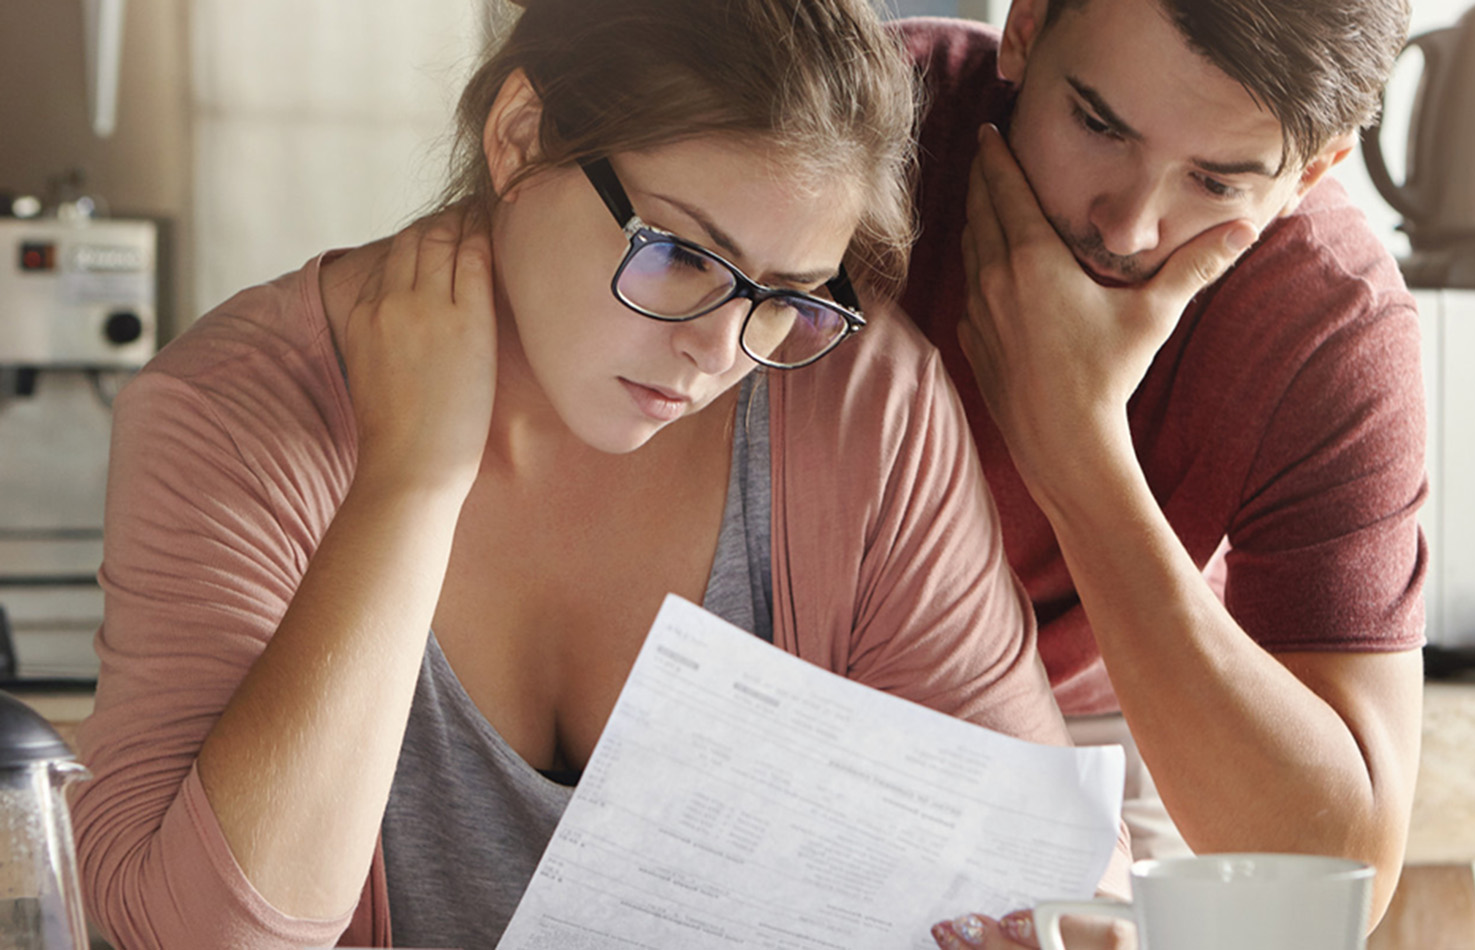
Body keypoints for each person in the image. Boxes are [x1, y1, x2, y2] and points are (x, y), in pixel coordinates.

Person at [71, 2, 1124, 948]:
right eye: (680, 254)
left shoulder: (860, 403)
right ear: (519, 134)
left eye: (790, 294)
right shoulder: (235, 414)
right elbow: (195, 936)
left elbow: (1034, 871)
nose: (721, 351)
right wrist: (411, 482)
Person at [898, 1, 1428, 944]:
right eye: (1098, 126)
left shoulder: (1329, 322)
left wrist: (1076, 446)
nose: (1131, 226)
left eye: (1217, 181)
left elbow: (1336, 876)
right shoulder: (860, 126)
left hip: (1113, 717)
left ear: (1311, 172)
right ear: (1025, 26)